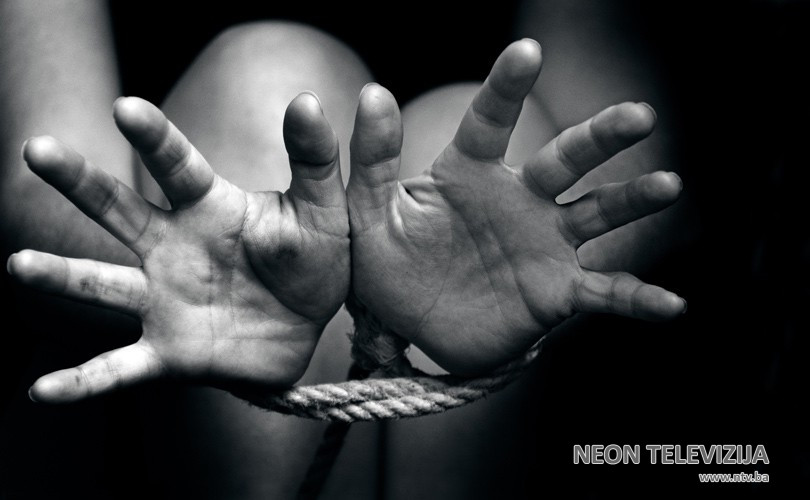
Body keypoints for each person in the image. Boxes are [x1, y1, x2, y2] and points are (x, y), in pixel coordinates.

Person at [0, 1, 687, 498]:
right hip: (193, 269)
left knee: (473, 130)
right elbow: (37, 182)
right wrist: (186, 271)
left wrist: (538, 261)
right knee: (264, 82)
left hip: (489, 275)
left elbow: (639, 158)